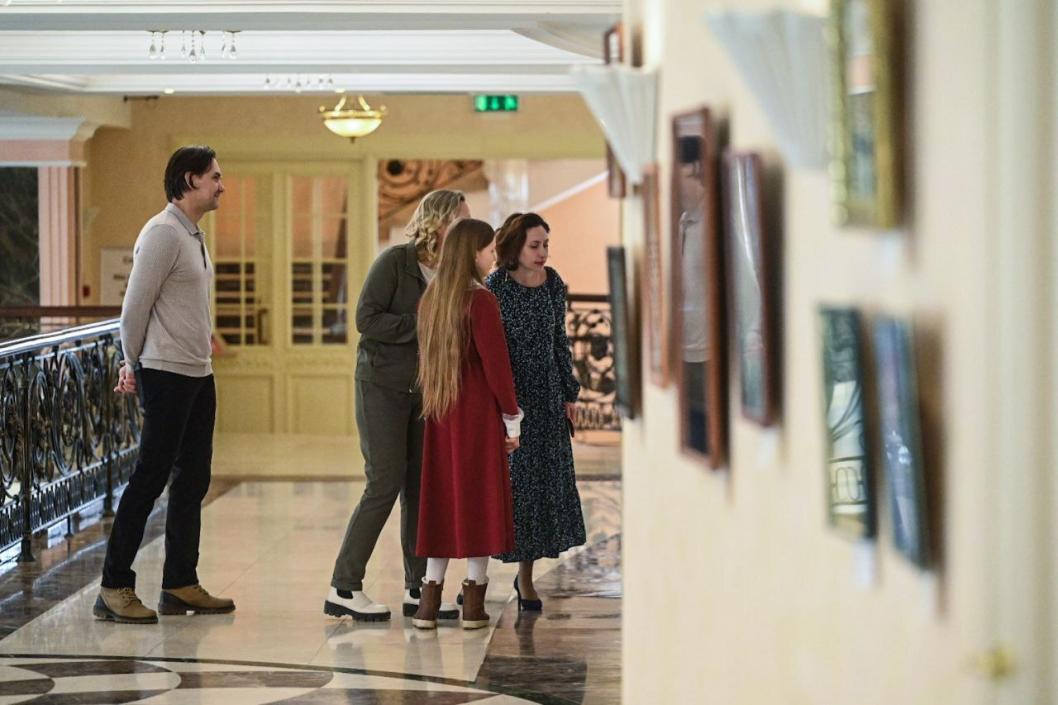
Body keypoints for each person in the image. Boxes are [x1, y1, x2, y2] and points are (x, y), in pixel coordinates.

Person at [95, 145, 234, 624]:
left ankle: (180, 582)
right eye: (215, 177)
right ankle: (113, 585)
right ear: (190, 179)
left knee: (193, 480)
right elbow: (134, 308)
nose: (221, 186)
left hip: (197, 372)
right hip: (165, 372)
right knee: (149, 478)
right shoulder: (162, 233)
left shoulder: (191, 234)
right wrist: (130, 362)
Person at [324, 189, 468, 622]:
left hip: (426, 391)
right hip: (381, 386)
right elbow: (365, 319)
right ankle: (344, 586)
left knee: (420, 488)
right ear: (439, 222)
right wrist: (423, 323)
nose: (466, 226)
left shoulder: (454, 271)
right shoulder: (395, 262)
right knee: (383, 482)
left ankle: (417, 587)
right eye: (461, 219)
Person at [412, 218, 523, 630]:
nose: (493, 256)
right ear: (473, 252)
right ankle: (473, 605)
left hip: (441, 414)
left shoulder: (432, 299)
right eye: (489, 249)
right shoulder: (480, 301)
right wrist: (512, 419)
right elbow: (498, 369)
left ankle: (428, 604)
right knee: (479, 502)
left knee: (441, 502)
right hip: (477, 416)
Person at [485, 212, 586, 611]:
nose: (543, 252)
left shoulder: (553, 283)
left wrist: (569, 392)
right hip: (509, 398)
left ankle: (525, 577)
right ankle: (476, 576)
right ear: (515, 246)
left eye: (546, 244)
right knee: (509, 488)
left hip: (546, 396)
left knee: (541, 487)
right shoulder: (495, 286)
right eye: (535, 245)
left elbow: (560, 339)